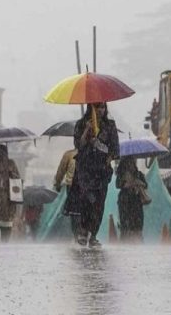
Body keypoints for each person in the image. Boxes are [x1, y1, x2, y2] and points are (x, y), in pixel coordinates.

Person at [63, 103, 120, 247]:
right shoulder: (81, 124)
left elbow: (115, 150)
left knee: (99, 204)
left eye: (102, 107)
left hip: (101, 171)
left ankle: (92, 234)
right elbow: (78, 146)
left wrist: (106, 156)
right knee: (86, 201)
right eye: (97, 107)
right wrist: (87, 130)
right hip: (85, 170)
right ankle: (82, 231)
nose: (100, 110)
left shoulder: (110, 126)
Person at [116, 158, 148, 242]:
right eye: (130, 162)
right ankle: (125, 241)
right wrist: (129, 183)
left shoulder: (139, 174)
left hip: (136, 202)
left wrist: (139, 182)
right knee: (126, 225)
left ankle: (137, 241)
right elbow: (118, 185)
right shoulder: (121, 175)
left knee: (137, 225)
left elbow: (145, 185)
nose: (133, 163)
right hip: (125, 202)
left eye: (134, 162)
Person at [54, 148, 80, 238]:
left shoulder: (69, 154)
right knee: (79, 211)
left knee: (74, 212)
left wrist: (57, 183)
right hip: (83, 186)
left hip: (73, 186)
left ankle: (77, 234)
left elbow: (61, 171)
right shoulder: (91, 152)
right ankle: (80, 233)